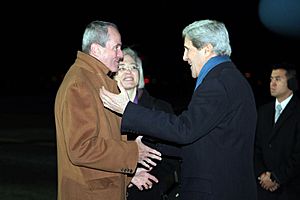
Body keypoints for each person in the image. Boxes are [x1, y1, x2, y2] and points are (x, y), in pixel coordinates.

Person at [100, 19, 258, 200]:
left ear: (206, 49)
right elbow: (202, 141)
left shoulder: (218, 82)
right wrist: (148, 146)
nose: (184, 57)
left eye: (187, 49)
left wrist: (127, 110)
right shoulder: (228, 77)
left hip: (216, 190)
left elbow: (185, 130)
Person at [54, 20, 162, 200]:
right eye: (116, 48)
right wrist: (133, 152)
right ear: (96, 49)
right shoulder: (80, 84)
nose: (120, 55)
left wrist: (128, 177)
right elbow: (82, 148)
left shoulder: (96, 80)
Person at [115, 47, 181, 200]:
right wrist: (128, 177)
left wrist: (146, 175)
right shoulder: (101, 109)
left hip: (150, 190)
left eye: (133, 67)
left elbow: (173, 156)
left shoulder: (159, 108)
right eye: (121, 68)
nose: (128, 72)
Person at [254, 63, 300, 200]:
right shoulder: (263, 111)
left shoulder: (298, 112)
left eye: (277, 79)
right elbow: (255, 147)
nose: (272, 83)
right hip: (262, 189)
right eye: (271, 79)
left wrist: (276, 177)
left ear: (291, 83)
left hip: (290, 189)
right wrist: (262, 174)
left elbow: (298, 155)